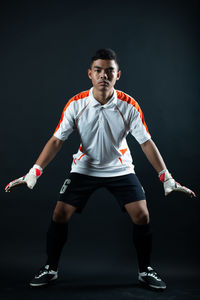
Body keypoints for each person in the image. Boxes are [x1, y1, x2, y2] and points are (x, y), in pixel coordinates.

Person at [5, 48, 196, 290]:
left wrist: (166, 177)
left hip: (120, 169)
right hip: (85, 168)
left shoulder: (129, 105)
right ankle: (50, 268)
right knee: (59, 214)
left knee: (143, 215)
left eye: (109, 71)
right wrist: (34, 172)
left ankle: (145, 271)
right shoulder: (76, 104)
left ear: (118, 75)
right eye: (98, 70)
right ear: (90, 74)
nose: (103, 75)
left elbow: (146, 142)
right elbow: (56, 140)